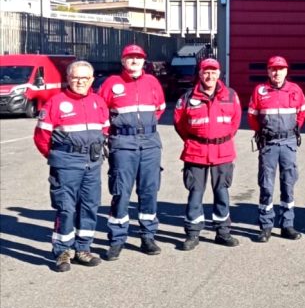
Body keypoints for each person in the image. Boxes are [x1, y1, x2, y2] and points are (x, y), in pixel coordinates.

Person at [34, 60, 109, 272]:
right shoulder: (55, 103)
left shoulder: (98, 102)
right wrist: (59, 157)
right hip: (66, 165)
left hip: (92, 164)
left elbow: (104, 130)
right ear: (68, 79)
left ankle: (83, 249)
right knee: (66, 208)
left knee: (89, 206)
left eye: (85, 78)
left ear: (92, 80)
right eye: (76, 78)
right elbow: (41, 137)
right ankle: (63, 251)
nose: (80, 82)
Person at [99, 44, 166, 261]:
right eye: (130, 58)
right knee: (121, 192)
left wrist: (144, 127)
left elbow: (160, 108)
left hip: (149, 142)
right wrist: (113, 134)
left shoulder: (152, 82)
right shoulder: (111, 83)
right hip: (123, 142)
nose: (135, 61)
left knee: (149, 191)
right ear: (123, 61)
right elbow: (101, 112)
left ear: (144, 61)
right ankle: (117, 239)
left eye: (138, 58)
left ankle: (147, 236)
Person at [173, 58, 242, 250]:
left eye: (213, 72)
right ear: (200, 74)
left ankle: (223, 232)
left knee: (222, 192)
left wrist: (221, 137)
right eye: (206, 72)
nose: (209, 76)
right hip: (196, 151)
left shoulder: (230, 95)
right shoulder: (187, 97)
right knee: (195, 192)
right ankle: (193, 233)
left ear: (219, 74)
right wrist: (197, 140)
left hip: (223, 151)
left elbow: (235, 121)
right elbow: (180, 123)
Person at [248, 55, 305, 242]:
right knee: (266, 184)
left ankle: (287, 224)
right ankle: (266, 225)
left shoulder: (295, 90)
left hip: (288, 142)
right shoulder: (260, 90)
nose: (277, 72)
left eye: (280, 69)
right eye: (273, 69)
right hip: (269, 143)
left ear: (286, 71)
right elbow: (252, 117)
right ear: (268, 71)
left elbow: (302, 113)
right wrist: (264, 132)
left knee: (288, 184)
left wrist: (291, 130)